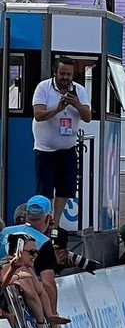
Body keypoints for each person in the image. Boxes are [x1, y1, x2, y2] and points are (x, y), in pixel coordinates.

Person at [31, 56, 91, 227]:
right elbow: (38, 114)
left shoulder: (78, 90)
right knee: (45, 190)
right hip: (45, 149)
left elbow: (87, 117)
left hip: (68, 148)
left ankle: (55, 223)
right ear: (55, 73)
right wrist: (57, 109)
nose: (66, 78)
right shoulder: (43, 88)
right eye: (62, 74)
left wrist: (77, 104)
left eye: (69, 74)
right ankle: (44, 221)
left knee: (65, 188)